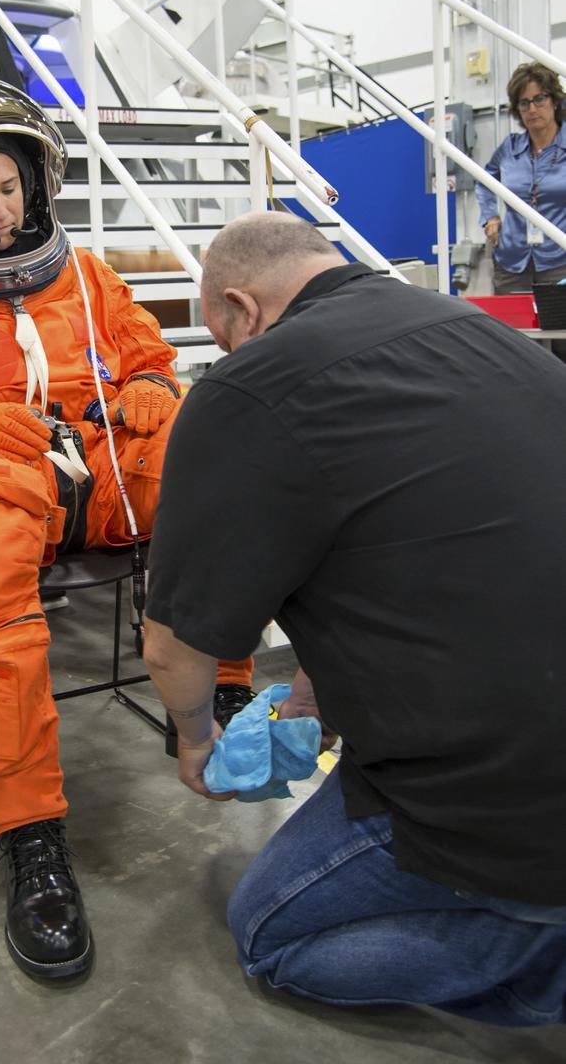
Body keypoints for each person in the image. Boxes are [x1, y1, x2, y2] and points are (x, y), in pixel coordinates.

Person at [0, 75, 253, 982]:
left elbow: (146, 349)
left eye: (9, 190)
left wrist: (154, 385)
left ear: (36, 183)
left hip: (101, 470)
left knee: (213, 443)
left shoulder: (88, 274)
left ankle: (222, 689)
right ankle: (29, 833)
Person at [142, 210, 566, 1027]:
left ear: (243, 308)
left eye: (223, 336)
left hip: (507, 795)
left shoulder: (249, 388)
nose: (230, 354)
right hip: (533, 718)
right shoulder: (473, 330)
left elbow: (171, 647)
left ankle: (539, 952)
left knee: (269, 935)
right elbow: (401, 550)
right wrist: (308, 695)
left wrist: (196, 740)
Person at [478, 61, 566, 293]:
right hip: (511, 260)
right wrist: (490, 217)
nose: (532, 109)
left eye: (539, 99)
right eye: (524, 103)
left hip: (559, 259)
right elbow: (484, 181)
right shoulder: (509, 147)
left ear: (554, 101)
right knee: (510, 328)